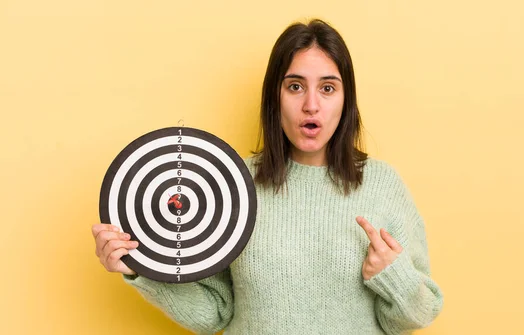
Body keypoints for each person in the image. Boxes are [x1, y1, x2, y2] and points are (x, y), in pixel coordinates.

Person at [92, 19, 444, 334]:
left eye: (327, 88)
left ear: (345, 100)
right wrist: (140, 268)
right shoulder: (232, 185)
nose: (311, 105)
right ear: (274, 98)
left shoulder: (382, 185)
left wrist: (392, 275)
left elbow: (418, 313)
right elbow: (216, 313)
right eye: (295, 86)